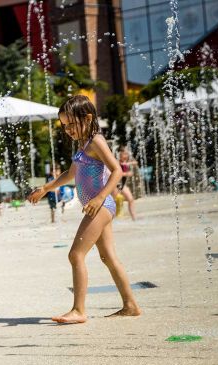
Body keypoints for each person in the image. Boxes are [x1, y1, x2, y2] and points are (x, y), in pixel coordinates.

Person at [28, 95, 141, 324]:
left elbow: (117, 170)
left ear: (87, 118)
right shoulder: (83, 144)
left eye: (71, 123)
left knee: (75, 254)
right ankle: (130, 305)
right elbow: (70, 174)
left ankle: (78, 310)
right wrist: (46, 188)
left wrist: (99, 198)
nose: (68, 129)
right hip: (97, 206)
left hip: (100, 206)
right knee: (108, 257)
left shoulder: (96, 141)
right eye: (64, 125)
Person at [112, 146, 138, 221]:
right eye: (125, 154)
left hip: (122, 185)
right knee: (111, 202)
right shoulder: (116, 161)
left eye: (127, 154)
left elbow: (135, 163)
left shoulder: (126, 162)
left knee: (131, 199)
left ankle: (134, 218)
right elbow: (117, 173)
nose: (126, 156)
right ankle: (108, 220)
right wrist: (126, 173)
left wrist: (128, 164)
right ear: (120, 154)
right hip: (115, 185)